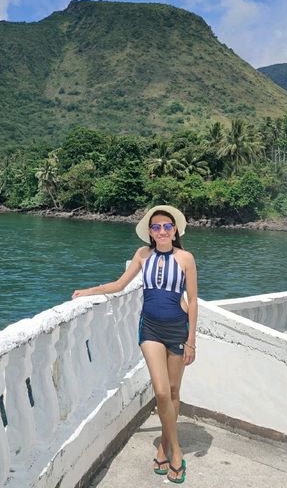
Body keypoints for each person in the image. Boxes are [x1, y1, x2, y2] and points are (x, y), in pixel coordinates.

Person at [72, 205, 197, 484]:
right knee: (162, 392)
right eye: (156, 227)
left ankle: (164, 448)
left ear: (175, 230)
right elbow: (119, 284)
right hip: (150, 329)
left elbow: (194, 301)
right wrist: (88, 292)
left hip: (178, 329)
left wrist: (192, 341)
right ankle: (176, 452)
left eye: (167, 226)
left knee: (175, 390)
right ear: (150, 232)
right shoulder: (143, 255)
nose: (162, 231)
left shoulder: (185, 258)